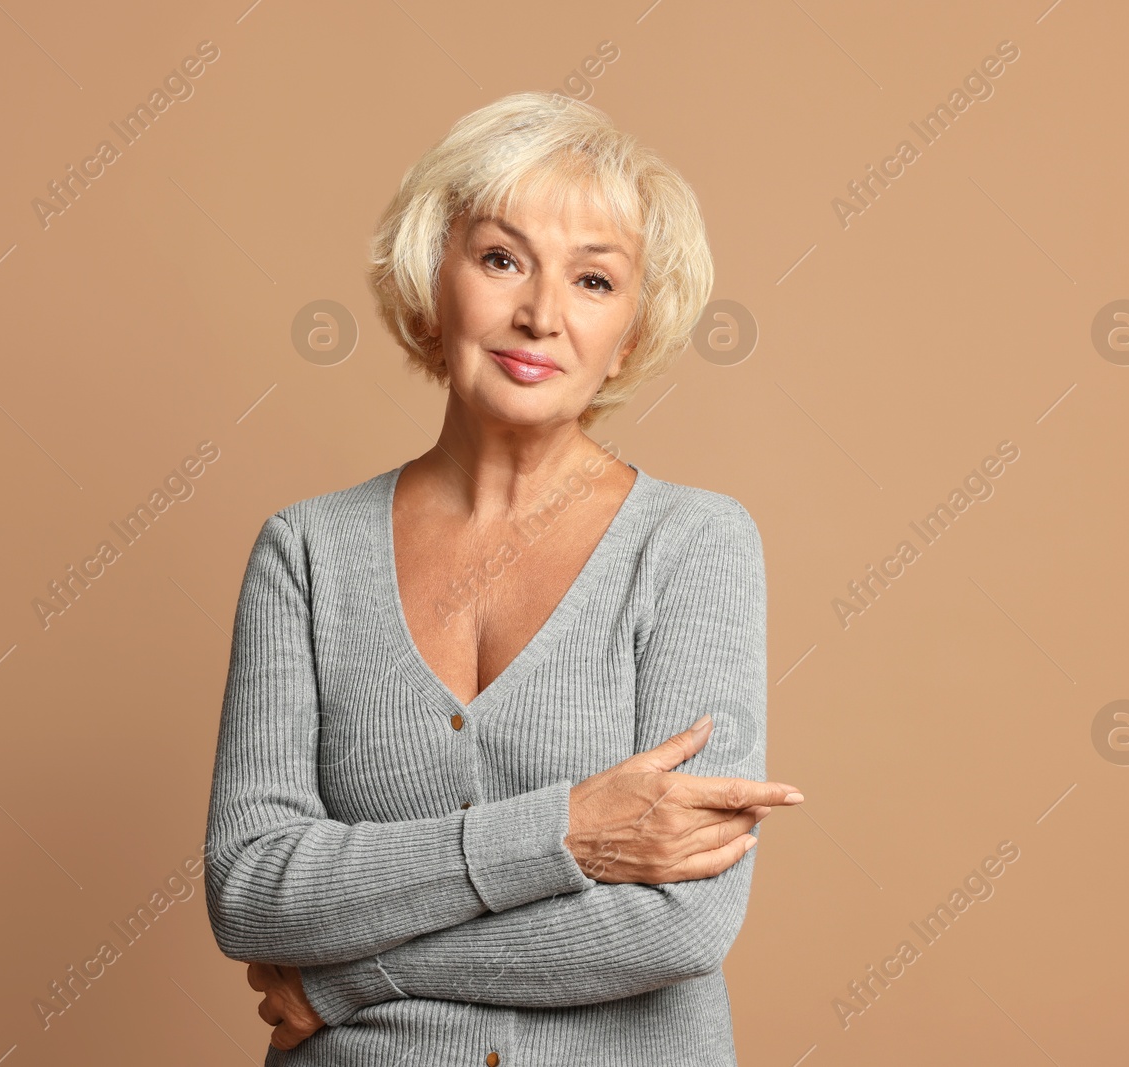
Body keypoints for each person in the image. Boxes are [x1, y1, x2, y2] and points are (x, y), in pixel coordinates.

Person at [203, 89, 804, 1066]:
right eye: (500, 259)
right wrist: (568, 830)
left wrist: (356, 975)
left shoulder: (693, 543)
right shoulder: (306, 552)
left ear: (633, 325)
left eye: (594, 281)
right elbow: (254, 885)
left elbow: (677, 924)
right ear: (433, 274)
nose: (540, 315)